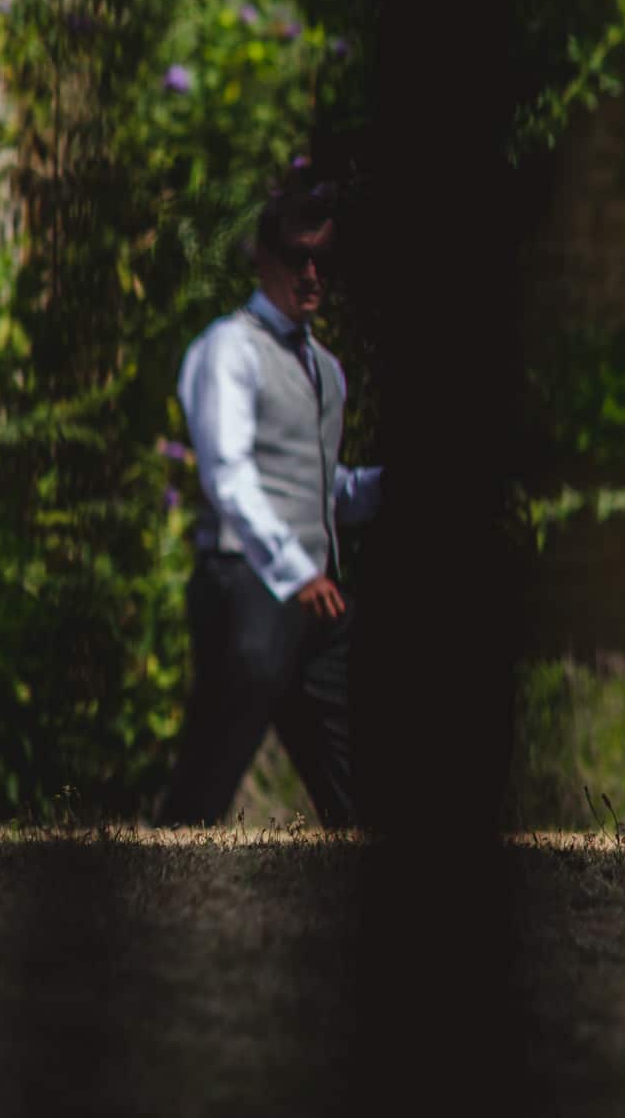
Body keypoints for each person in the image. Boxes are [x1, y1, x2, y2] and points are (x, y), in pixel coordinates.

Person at [159, 180, 381, 829]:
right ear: (262, 256)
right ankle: (168, 868)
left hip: (315, 603)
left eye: (324, 260)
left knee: (356, 792)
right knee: (206, 780)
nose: (311, 274)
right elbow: (229, 476)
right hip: (247, 589)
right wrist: (293, 569)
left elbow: (323, 490)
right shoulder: (228, 349)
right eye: (295, 256)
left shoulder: (327, 370)